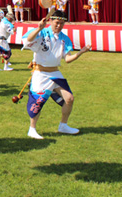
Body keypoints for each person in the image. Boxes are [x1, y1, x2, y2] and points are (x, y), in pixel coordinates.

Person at [22, 10, 91, 139]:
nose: (59, 25)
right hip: (40, 73)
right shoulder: (42, 32)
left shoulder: (65, 39)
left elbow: (68, 59)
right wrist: (38, 28)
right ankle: (32, 129)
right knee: (38, 102)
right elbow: (27, 40)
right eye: (57, 22)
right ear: (51, 21)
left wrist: (81, 52)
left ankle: (63, 126)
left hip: (55, 72)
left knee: (69, 98)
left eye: (62, 23)